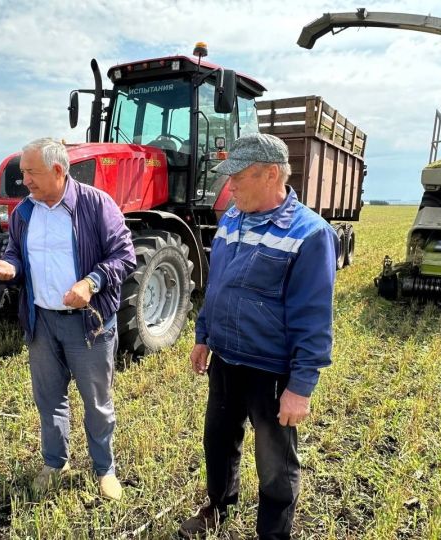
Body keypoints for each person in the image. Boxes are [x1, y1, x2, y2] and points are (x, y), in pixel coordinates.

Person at [179, 133, 339, 539]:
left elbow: (313, 318)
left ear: (271, 174)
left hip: (270, 372)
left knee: (275, 465)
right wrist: (203, 334)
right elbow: (217, 287)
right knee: (217, 443)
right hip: (226, 361)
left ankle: (273, 533)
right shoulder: (232, 217)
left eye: (238, 177)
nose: (228, 186)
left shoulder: (309, 234)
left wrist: (300, 387)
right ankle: (218, 507)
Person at [0, 138, 135, 500]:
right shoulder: (24, 212)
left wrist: (91, 281)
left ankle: (104, 469)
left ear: (57, 171)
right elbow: (16, 254)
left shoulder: (96, 205)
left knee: (96, 401)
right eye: (23, 173)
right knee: (49, 398)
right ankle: (55, 462)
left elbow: (125, 255)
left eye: (31, 173)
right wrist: (10, 267)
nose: (25, 181)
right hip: (42, 322)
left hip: (89, 322)